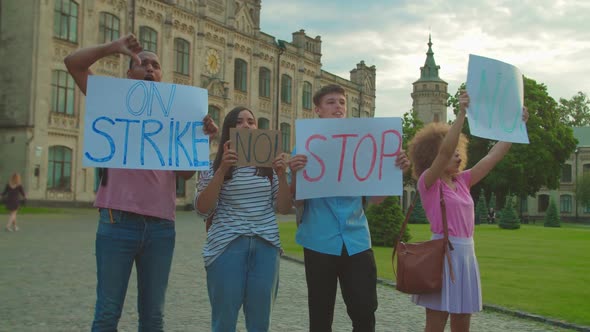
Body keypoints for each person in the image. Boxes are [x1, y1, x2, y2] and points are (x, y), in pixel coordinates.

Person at [64, 34, 218, 331]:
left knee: (154, 316)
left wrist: (200, 140)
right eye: (142, 63)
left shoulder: (177, 114)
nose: (150, 68)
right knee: (108, 312)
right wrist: (111, 47)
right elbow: (73, 64)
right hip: (116, 219)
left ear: (161, 75)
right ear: (128, 73)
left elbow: (183, 176)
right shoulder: (113, 103)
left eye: (156, 65)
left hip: (161, 226)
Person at [288, 84, 410, 332]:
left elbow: (375, 200)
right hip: (319, 241)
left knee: (365, 312)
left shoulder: (360, 146)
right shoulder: (304, 148)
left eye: (342, 102)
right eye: (331, 102)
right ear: (318, 110)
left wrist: (395, 171)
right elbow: (296, 202)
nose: (338, 107)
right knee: (321, 316)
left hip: (357, 240)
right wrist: (294, 174)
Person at [407, 91, 528, 332]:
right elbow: (444, 152)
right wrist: (461, 113)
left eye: (459, 151)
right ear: (433, 157)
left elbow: (492, 157)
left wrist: (516, 127)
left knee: (463, 323)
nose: (458, 155)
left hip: (466, 256)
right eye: (453, 152)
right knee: (436, 323)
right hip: (441, 255)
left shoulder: (462, 180)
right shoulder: (428, 182)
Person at [194, 106, 293, 332]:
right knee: (224, 322)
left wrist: (281, 174)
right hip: (226, 247)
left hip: (265, 247)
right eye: (239, 121)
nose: (246, 125)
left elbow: (284, 208)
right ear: (230, 129)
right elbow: (202, 210)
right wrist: (222, 170)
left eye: (251, 121)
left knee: (260, 323)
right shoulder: (212, 167)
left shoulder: (268, 169)